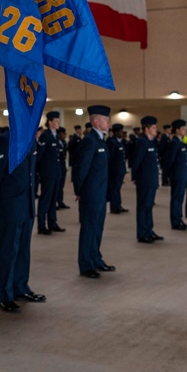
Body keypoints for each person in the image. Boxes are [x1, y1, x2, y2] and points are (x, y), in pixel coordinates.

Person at [0, 127, 45, 313]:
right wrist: (0, 198)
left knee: (23, 249)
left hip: (27, 202)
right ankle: (4, 295)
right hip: (10, 204)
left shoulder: (30, 138)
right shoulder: (5, 140)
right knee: (8, 250)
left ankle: (21, 287)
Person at [73, 106, 115, 278]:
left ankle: (96, 258)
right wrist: (79, 190)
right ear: (96, 121)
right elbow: (81, 168)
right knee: (89, 228)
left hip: (100, 192)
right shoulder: (89, 141)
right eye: (106, 119)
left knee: (98, 227)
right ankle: (86, 264)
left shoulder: (100, 140)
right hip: (91, 194)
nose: (108, 122)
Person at [131, 116, 161, 243]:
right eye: (153, 127)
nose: (156, 129)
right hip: (144, 180)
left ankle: (149, 230)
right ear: (147, 129)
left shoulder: (150, 142)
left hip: (151, 179)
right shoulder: (142, 142)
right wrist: (135, 177)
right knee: (144, 206)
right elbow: (136, 161)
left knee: (149, 206)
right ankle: (142, 233)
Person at [35, 111, 65, 234]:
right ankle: (41, 225)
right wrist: (38, 171)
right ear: (50, 122)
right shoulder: (45, 136)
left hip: (56, 172)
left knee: (53, 198)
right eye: (56, 121)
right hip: (47, 173)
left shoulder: (55, 136)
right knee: (45, 199)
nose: (58, 123)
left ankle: (52, 222)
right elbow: (40, 156)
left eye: (58, 121)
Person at [106, 123, 128, 214]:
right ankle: (114, 207)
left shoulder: (120, 142)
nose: (122, 133)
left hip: (120, 169)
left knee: (117, 189)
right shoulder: (112, 142)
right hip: (114, 170)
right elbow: (110, 157)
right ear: (115, 132)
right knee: (114, 189)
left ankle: (118, 205)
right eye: (120, 131)